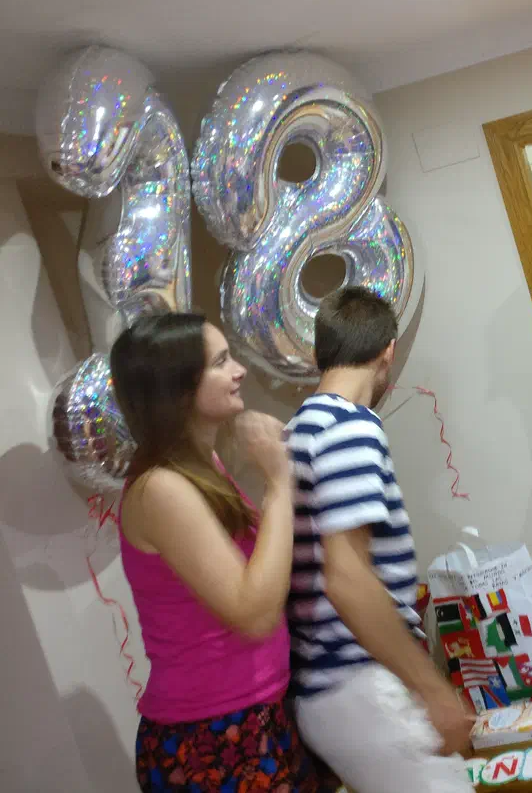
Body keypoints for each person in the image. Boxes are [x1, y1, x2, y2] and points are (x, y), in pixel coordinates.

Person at [110, 312, 337, 792]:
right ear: (179, 390)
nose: (240, 371)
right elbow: (254, 612)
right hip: (210, 734)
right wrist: (278, 485)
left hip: (256, 714)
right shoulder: (161, 488)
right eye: (221, 362)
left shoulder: (201, 464)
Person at [285, 286, 474, 793]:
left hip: (325, 689)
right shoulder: (349, 429)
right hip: (360, 680)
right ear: (388, 351)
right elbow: (347, 580)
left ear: (320, 352)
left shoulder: (296, 430)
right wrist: (431, 687)